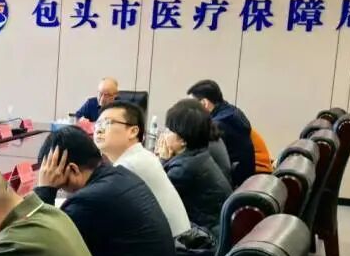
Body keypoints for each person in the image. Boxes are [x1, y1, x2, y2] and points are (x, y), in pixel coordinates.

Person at [34, 127, 177, 256]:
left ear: (73, 170)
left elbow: (39, 249)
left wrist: (45, 190)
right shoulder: (120, 175)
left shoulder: (88, 202)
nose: (63, 192)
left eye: (60, 186)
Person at [95, 102, 190, 237]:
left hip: (173, 245)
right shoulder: (141, 156)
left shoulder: (131, 165)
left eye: (107, 123)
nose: (99, 130)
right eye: (98, 124)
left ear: (133, 131)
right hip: (175, 241)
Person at [157, 98, 233, 235]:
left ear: (183, 140)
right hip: (212, 230)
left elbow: (157, 200)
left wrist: (163, 159)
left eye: (169, 130)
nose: (164, 135)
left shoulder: (183, 170)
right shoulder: (199, 155)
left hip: (203, 239)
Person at [187, 79, 255, 187]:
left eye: (191, 106)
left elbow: (198, 156)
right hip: (245, 180)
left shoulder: (217, 125)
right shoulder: (232, 112)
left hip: (232, 183)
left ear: (204, 103)